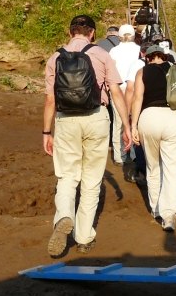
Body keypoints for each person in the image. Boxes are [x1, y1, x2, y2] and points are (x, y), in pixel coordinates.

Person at [42, 15, 132, 257]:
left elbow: (50, 99)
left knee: (67, 176)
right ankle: (83, 238)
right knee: (92, 181)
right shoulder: (102, 55)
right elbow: (115, 92)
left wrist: (46, 132)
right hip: (96, 118)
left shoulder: (55, 58)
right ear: (92, 33)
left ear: (70, 32)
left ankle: (64, 216)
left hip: (66, 120)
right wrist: (126, 126)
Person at [130, 44, 176, 232]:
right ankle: (169, 215)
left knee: (153, 166)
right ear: (164, 56)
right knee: (172, 169)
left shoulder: (142, 72)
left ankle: (156, 209)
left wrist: (133, 126)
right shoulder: (174, 68)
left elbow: (137, 98)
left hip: (149, 117)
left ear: (147, 57)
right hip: (173, 116)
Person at [109, 24, 144, 181]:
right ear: (133, 35)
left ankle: (119, 155)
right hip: (134, 87)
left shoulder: (113, 51)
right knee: (134, 120)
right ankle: (134, 153)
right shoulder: (138, 49)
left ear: (119, 36)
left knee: (118, 122)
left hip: (117, 88)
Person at [97, 25, 122, 162]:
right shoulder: (122, 44)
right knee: (118, 115)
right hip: (120, 83)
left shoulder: (99, 44)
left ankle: (106, 141)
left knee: (107, 112)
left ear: (107, 34)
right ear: (117, 34)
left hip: (104, 82)